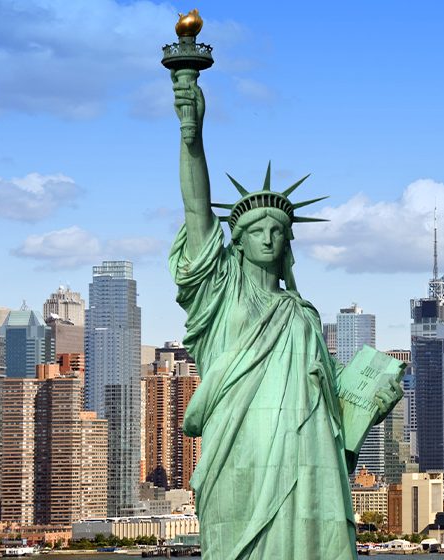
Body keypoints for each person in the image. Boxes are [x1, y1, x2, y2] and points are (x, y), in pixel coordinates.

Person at [170, 70, 402, 559]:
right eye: (257, 230)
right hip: (242, 441)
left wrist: (371, 396)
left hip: (308, 445)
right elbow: (195, 211)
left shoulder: (303, 314)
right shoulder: (222, 290)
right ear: (238, 241)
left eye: (278, 230)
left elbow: (329, 384)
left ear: (287, 243)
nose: (269, 238)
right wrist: (192, 137)